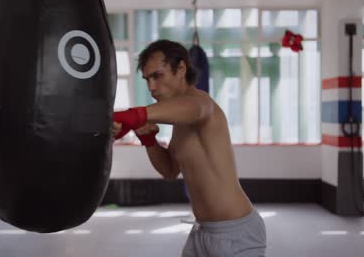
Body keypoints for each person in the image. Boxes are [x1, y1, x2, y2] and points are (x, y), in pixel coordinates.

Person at [113, 40, 266, 257]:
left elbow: (194, 109)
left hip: (235, 233)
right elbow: (169, 170)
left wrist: (131, 116)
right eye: (147, 79)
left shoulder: (201, 103)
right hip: (202, 232)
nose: (151, 87)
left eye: (158, 76)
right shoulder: (180, 123)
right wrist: (148, 140)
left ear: (181, 69)